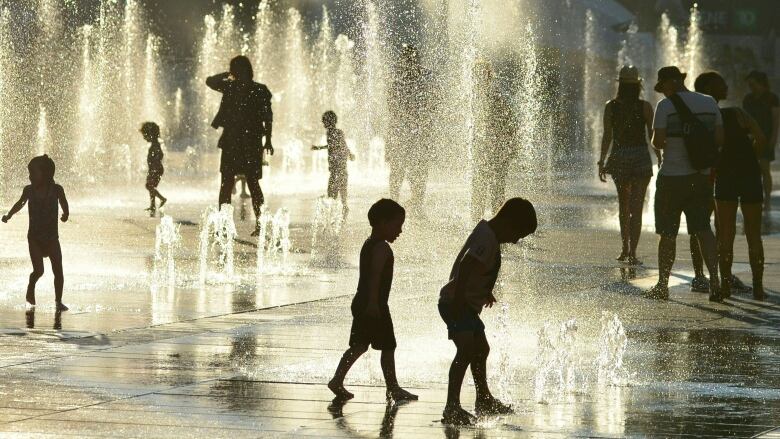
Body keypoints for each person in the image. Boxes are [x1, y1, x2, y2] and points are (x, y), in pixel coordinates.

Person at [438, 198, 537, 425]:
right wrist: (461, 298)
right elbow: (467, 264)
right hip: (456, 303)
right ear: (508, 223)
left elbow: (478, 268)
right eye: (517, 234)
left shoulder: (488, 234)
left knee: (481, 348)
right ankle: (451, 406)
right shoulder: (487, 237)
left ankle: (483, 398)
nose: (515, 241)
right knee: (466, 351)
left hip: (464, 305)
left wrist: (485, 290)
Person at [328, 199, 418, 403]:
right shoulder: (382, 248)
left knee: (360, 345)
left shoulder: (370, 244)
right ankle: (393, 388)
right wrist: (373, 304)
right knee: (387, 346)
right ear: (383, 223)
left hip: (364, 301)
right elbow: (375, 277)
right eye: (397, 225)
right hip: (374, 303)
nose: (400, 231)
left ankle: (337, 380)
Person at [647, 66, 724, 302]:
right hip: (700, 178)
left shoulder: (666, 106)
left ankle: (662, 285)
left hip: (672, 177)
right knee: (703, 229)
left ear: (670, 83)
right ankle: (715, 282)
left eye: (663, 88)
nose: (662, 93)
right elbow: (719, 139)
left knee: (667, 233)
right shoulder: (709, 102)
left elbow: (658, 142)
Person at [695, 72, 767, 300]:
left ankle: (724, 286)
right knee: (754, 233)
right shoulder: (737, 113)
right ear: (709, 88)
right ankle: (758, 288)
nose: (726, 86)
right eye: (721, 84)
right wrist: (749, 158)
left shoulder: (701, 117)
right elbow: (761, 140)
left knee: (725, 233)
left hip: (724, 176)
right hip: (750, 176)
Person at [598, 66, 659, 265]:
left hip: (619, 157)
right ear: (638, 85)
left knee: (623, 207)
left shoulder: (611, 106)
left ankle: (624, 248)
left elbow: (608, 135)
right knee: (637, 208)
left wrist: (601, 161)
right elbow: (652, 136)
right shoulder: (645, 107)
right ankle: (633, 252)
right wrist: (660, 157)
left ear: (620, 84)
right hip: (641, 157)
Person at [206, 55, 274, 236]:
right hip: (243, 141)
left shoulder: (250, 89)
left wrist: (268, 140)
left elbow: (268, 117)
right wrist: (267, 139)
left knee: (236, 183)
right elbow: (209, 81)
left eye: (234, 68)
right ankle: (231, 225)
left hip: (241, 141)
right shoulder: (244, 88)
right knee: (241, 182)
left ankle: (236, 225)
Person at [2, 155, 69, 311]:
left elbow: (64, 202)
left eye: (33, 172)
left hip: (52, 238)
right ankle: (30, 288)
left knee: (58, 270)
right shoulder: (29, 190)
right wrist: (9, 215)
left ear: (46, 174)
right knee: (39, 270)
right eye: (29, 172)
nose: (30, 176)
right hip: (35, 238)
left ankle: (58, 301)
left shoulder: (57, 190)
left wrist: (66, 213)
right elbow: (20, 203)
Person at [386, 45, 436, 217]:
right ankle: (395, 204)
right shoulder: (398, 82)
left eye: (412, 59)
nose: (410, 63)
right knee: (400, 171)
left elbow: (433, 104)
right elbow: (392, 109)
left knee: (417, 171)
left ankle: (415, 204)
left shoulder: (423, 81)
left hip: (415, 134)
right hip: (403, 134)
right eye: (408, 59)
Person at [471, 60, 519, 222]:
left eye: (481, 74)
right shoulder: (476, 96)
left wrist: (510, 146)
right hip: (483, 148)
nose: (477, 78)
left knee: (495, 186)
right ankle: (477, 221)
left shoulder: (495, 95)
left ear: (489, 76)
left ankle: (497, 222)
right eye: (475, 74)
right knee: (481, 186)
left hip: (496, 149)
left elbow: (510, 122)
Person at [743, 71, 779, 210]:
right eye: (749, 84)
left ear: (761, 83)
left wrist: (773, 140)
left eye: (753, 83)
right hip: (751, 138)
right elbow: (745, 119)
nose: (751, 86)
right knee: (752, 170)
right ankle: (756, 197)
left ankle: (768, 200)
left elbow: (776, 121)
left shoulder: (772, 98)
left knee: (765, 168)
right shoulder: (748, 99)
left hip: (766, 137)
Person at [312, 111, 355, 217]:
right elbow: (336, 145)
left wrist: (348, 154)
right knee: (340, 190)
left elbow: (340, 145)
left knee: (332, 192)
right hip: (339, 167)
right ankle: (342, 211)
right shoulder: (335, 132)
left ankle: (337, 213)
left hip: (337, 167)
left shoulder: (333, 133)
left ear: (328, 121)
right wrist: (320, 148)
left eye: (324, 120)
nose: (323, 123)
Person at [140, 122, 167, 216]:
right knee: (151, 186)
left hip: (156, 169)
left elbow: (160, 155)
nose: (144, 138)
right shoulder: (155, 144)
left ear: (151, 134)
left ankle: (162, 199)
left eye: (145, 135)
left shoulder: (155, 145)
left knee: (149, 186)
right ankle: (152, 205)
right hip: (154, 168)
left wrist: (155, 164)